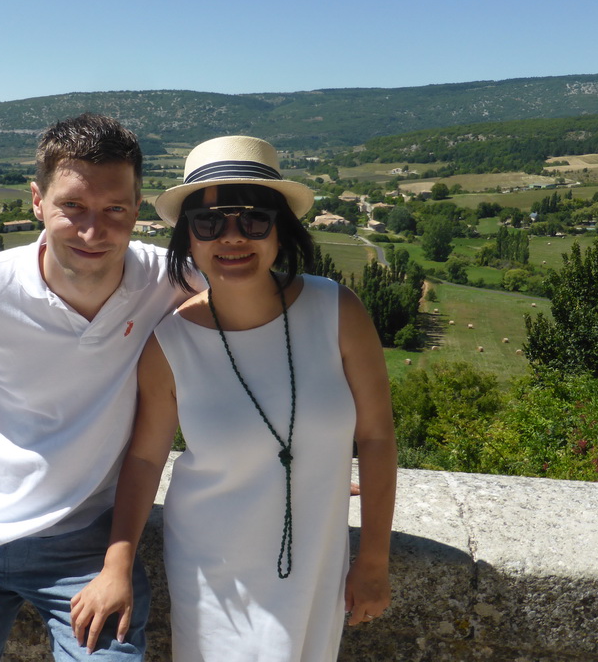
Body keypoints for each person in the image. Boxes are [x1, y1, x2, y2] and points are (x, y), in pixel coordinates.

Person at [70, 136, 397, 661]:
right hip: (212, 568)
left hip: (315, 560)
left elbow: (377, 436)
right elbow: (146, 457)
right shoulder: (169, 343)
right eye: (210, 223)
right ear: (188, 238)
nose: (232, 238)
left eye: (253, 219)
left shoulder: (339, 311)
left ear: (280, 228)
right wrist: (117, 564)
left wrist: (374, 560)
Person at [0, 113, 194, 661]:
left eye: (114, 210)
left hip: (88, 544)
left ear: (137, 207)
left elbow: (257, 333)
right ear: (37, 200)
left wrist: (285, 459)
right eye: (72, 207)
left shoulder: (172, 282)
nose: (92, 231)